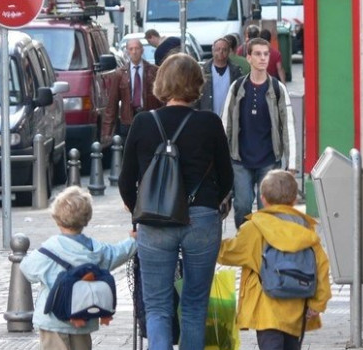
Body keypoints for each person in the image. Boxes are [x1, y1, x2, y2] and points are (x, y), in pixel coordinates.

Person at [118, 53, 234, 349]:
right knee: (195, 306)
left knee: (157, 306)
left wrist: (137, 214)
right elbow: (227, 177)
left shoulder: (144, 122)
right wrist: (210, 207)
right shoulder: (209, 123)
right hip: (202, 218)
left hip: (155, 220)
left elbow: (125, 179)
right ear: (197, 85)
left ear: (161, 83)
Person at [217, 169, 332, 350]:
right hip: (297, 308)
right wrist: (317, 303)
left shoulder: (254, 228)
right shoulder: (306, 229)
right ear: (294, 200)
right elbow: (321, 267)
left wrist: (209, 244)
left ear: (263, 199)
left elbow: (230, 252)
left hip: (266, 310)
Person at [20, 186, 137, 350]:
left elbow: (27, 269)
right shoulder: (95, 250)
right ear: (87, 218)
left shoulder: (48, 250)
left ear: (56, 218)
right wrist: (133, 241)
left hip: (53, 320)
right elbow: (117, 253)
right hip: (82, 316)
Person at [221, 37, 297, 229]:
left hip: (269, 159)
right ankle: (245, 240)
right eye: (258, 54)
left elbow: (288, 125)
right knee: (242, 205)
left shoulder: (277, 89)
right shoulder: (237, 87)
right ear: (248, 58)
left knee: (268, 208)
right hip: (240, 159)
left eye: (266, 54)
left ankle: (265, 247)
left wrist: (292, 163)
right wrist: (221, 158)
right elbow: (225, 124)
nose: (263, 58)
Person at [103, 38, 163, 142]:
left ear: (142, 50)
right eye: (131, 49)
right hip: (128, 121)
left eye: (137, 48)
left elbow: (162, 99)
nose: (134, 52)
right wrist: (107, 132)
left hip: (149, 119)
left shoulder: (154, 71)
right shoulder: (120, 74)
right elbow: (112, 104)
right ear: (127, 51)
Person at [195, 37, 242, 116]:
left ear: (229, 51)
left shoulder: (235, 72)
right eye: (218, 49)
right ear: (213, 51)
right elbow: (196, 95)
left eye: (224, 49)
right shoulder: (203, 71)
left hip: (228, 117)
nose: (221, 52)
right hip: (207, 117)